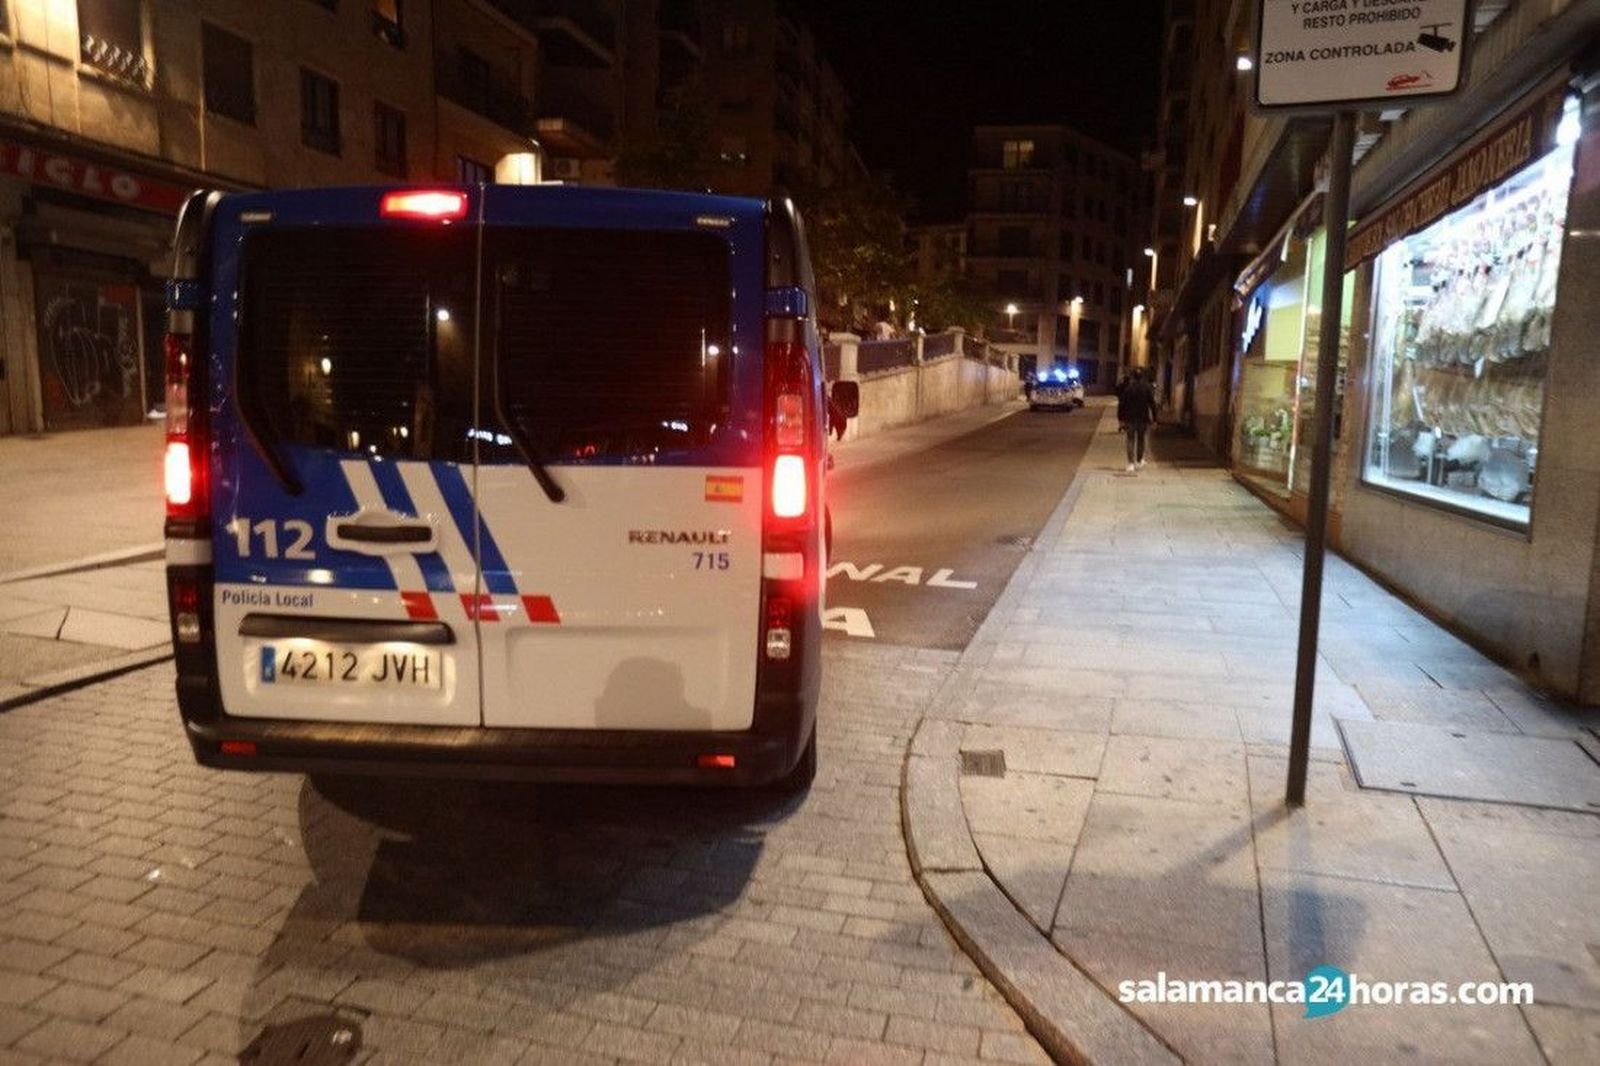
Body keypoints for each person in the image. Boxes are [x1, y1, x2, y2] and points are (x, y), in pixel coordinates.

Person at [1117, 368, 1158, 473]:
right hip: (1143, 418)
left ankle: (1130, 463)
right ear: (1142, 377)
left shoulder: (1128, 389)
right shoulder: (1147, 388)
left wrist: (1120, 419)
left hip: (1129, 418)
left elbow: (1121, 405)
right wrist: (1155, 419)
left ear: (1133, 377)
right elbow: (1152, 404)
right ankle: (1139, 460)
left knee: (1130, 440)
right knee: (1141, 439)